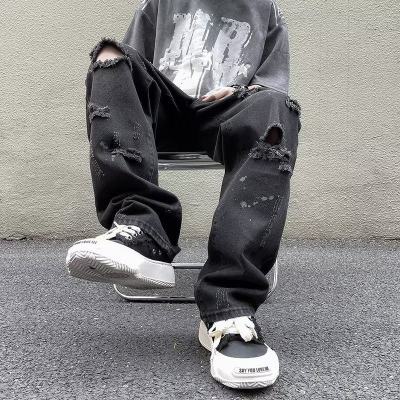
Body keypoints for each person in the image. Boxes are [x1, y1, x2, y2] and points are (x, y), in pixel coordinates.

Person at [66, 0, 301, 389]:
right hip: (166, 110)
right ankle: (143, 231)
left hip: (226, 110)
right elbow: (131, 69)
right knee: (109, 55)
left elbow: (272, 84)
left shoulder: (266, 8)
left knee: (278, 109)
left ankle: (229, 306)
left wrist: (241, 90)